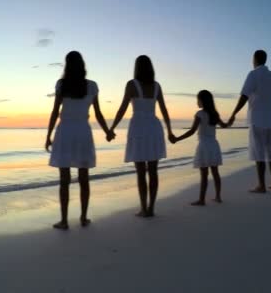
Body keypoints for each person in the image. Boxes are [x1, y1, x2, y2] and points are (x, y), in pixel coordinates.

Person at [45, 51, 115, 230]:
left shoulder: (62, 84)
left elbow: (55, 112)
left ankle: (64, 220)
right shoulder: (92, 86)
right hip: (83, 131)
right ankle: (83, 218)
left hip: (65, 131)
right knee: (84, 178)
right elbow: (98, 113)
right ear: (83, 65)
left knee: (64, 179)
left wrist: (48, 135)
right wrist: (107, 131)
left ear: (67, 65)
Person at [110, 55, 174, 217]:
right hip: (154, 126)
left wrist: (112, 128)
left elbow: (122, 109)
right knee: (153, 171)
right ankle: (151, 208)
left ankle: (143, 208)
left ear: (136, 68)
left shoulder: (132, 84)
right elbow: (164, 110)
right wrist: (170, 131)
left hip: (138, 126)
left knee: (140, 172)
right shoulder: (156, 86)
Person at [228, 50, 271, 193]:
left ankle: (262, 185)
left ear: (255, 59)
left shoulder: (253, 74)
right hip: (270, 120)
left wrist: (234, 113)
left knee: (259, 154)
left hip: (257, 119)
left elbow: (244, 96)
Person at [171, 90, 227, 205]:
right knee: (215, 172)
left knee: (204, 174)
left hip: (204, 145)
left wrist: (177, 139)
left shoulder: (200, 114)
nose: (197, 102)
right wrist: (231, 121)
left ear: (202, 101)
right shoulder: (214, 114)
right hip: (214, 145)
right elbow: (224, 125)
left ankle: (201, 200)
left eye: (198, 99)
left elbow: (192, 131)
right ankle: (218, 197)